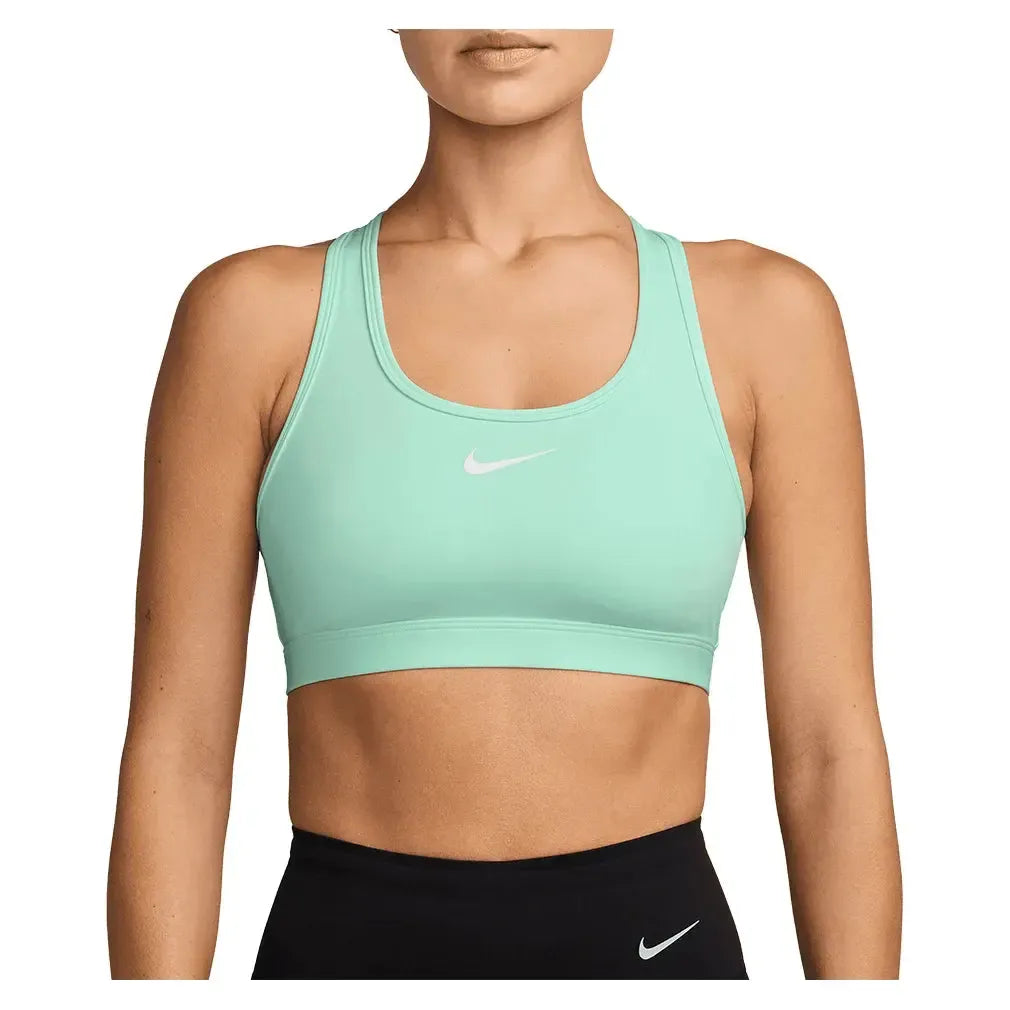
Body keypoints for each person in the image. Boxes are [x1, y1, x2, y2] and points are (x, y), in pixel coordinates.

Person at [107, 28, 901, 979]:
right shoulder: (253, 318)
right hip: (344, 950)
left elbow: (829, 748)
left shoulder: (765, 319)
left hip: (658, 952)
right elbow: (180, 751)